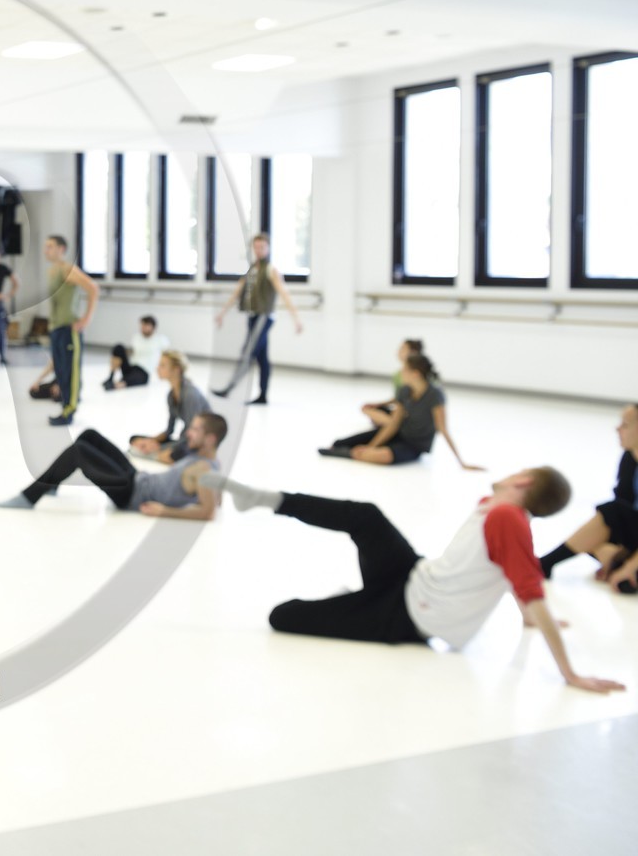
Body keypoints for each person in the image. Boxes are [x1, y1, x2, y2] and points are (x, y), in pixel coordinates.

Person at [204, 469, 625, 694]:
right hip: (414, 576)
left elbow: (530, 587)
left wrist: (569, 673)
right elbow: (515, 573)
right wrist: (528, 621)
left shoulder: (506, 518)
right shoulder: (494, 508)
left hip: (407, 616)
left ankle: (359, 604)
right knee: (366, 515)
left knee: (284, 616)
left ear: (525, 481)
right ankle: (262, 499)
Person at [0, 412, 226, 518]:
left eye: (196, 430)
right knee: (89, 435)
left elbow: (208, 512)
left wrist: (164, 511)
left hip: (131, 494)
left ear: (211, 439)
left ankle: (29, 497)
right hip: (137, 478)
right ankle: (54, 482)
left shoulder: (204, 469)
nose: (189, 432)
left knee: (79, 452)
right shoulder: (210, 463)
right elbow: (215, 497)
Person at [320, 353, 482, 469]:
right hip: (399, 435)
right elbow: (394, 424)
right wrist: (371, 446)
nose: (401, 373)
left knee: (380, 456)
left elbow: (443, 428)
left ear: (415, 374)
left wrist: (461, 461)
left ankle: (350, 454)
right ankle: (352, 451)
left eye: (404, 369)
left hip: (415, 446)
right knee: (339, 443)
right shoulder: (405, 390)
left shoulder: (435, 395)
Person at [540, 402, 638, 593]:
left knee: (610, 513)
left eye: (625, 424)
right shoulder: (629, 460)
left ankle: (622, 567)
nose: (617, 429)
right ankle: (617, 563)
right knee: (603, 525)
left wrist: (628, 565)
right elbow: (624, 513)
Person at [213, 233, 302, 405]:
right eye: (256, 247)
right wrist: (222, 313)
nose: (259, 250)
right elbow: (237, 292)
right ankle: (263, 396)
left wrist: (296, 318)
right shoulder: (252, 269)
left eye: (262, 247)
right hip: (252, 317)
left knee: (248, 352)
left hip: (264, 317)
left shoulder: (271, 270)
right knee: (262, 358)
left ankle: (229, 389)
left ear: (268, 248)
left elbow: (284, 293)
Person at [42, 235, 99, 427]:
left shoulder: (68, 269)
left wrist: (85, 319)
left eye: (50, 246)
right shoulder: (52, 271)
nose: (46, 250)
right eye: (46, 246)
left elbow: (93, 288)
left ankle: (70, 410)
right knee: (61, 372)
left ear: (61, 249)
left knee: (70, 373)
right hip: (56, 329)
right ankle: (65, 406)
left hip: (69, 329)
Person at [128, 351, 211, 463]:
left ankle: (157, 455)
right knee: (134, 439)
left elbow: (191, 435)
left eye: (162, 365)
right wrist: (151, 440)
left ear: (176, 370)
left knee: (170, 453)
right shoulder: (171, 395)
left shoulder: (190, 395)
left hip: (199, 442)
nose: (157, 368)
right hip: (186, 438)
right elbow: (169, 431)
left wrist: (161, 448)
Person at [104, 315, 168, 391]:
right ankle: (110, 377)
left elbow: (166, 355)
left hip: (144, 370)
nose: (143, 327)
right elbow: (132, 351)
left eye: (146, 325)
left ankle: (117, 385)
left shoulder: (160, 339)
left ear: (152, 327)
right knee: (119, 347)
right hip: (132, 367)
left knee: (135, 378)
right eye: (142, 325)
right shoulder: (136, 337)